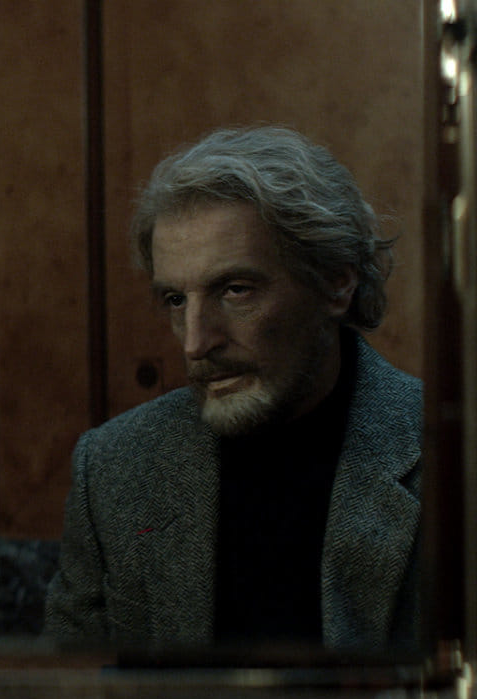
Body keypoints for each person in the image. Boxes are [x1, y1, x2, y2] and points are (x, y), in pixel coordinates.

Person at [43, 126, 421, 650]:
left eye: (235, 290)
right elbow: (71, 684)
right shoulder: (115, 466)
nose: (195, 343)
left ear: (337, 283)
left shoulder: (449, 458)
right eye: (176, 300)